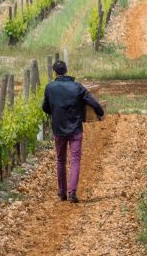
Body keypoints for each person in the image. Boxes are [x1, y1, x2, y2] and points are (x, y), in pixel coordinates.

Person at [41, 60, 104, 203]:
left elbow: (45, 107)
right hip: (75, 128)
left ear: (54, 72)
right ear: (66, 70)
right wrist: (100, 112)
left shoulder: (50, 88)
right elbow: (91, 101)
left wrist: (55, 111)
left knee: (61, 160)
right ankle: (72, 192)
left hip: (58, 129)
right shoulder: (77, 87)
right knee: (75, 160)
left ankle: (61, 192)